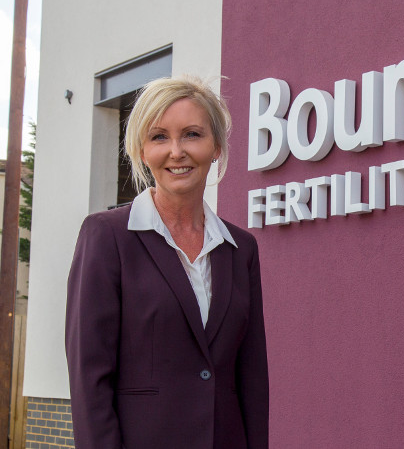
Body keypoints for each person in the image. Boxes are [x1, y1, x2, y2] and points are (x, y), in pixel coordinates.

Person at [65, 76, 268, 449]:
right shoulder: (107, 236)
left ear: (216, 147)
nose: (177, 151)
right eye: (159, 137)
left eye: (192, 134)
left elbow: (252, 378)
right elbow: (89, 377)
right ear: (142, 151)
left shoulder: (241, 249)